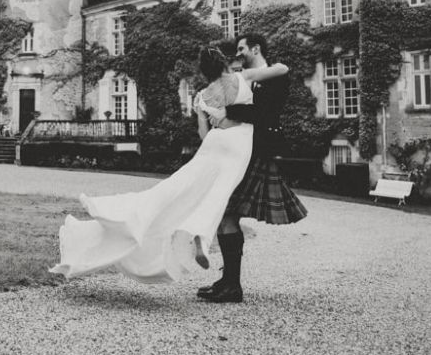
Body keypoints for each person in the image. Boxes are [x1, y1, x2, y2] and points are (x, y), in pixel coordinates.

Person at [48, 46, 288, 283]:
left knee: (174, 190)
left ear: (204, 71)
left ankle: (153, 220)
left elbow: (203, 134)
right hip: (238, 143)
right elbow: (282, 69)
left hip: (213, 145)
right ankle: (201, 237)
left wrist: (211, 114)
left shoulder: (202, 96)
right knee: (219, 194)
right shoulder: (242, 77)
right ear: (224, 63)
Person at [195, 33, 308, 304]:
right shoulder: (244, 77)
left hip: (258, 153)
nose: (238, 53)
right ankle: (229, 282)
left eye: (241, 48)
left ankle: (232, 285)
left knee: (227, 213)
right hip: (241, 154)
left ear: (255, 49)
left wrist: (228, 113)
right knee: (226, 213)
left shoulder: (274, 78)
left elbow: (265, 114)